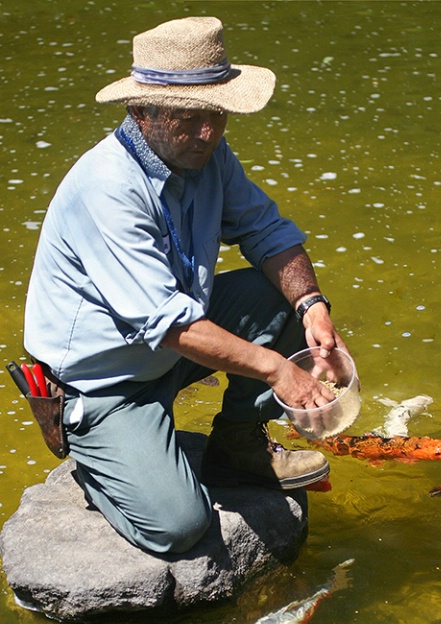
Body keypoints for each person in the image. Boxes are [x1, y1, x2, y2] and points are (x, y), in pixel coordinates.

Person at [24, 16, 350, 555]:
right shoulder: (108, 187)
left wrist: (312, 306)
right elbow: (170, 324)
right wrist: (278, 369)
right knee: (178, 526)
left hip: (169, 348)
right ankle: (97, 457)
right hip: (103, 382)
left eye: (217, 114)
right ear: (140, 111)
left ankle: (238, 447)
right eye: (190, 117)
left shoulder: (206, 153)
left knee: (279, 297)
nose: (209, 132)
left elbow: (267, 231)